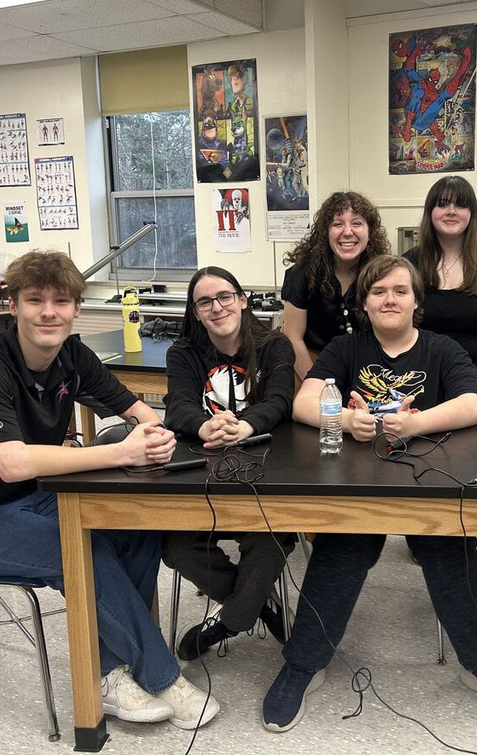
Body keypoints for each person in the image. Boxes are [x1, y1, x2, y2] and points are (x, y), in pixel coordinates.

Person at [0, 251, 220, 730]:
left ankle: (108, 673)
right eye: (35, 300)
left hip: (27, 502)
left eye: (61, 300)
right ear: (12, 306)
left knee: (135, 529)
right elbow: (13, 463)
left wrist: (153, 434)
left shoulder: (72, 356)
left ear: (77, 308)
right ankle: (162, 678)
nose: (48, 312)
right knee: (83, 550)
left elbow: (136, 409)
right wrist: (122, 453)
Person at [262, 254, 477, 733]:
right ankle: (303, 664)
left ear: (416, 301)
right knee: (339, 553)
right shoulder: (347, 350)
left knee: (451, 552)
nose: (389, 299)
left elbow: (474, 403)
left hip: (426, 489)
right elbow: (305, 400)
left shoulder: (441, 348)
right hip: (358, 491)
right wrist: (346, 419)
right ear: (364, 304)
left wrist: (415, 424)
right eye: (378, 292)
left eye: (400, 291)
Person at [161, 266, 297, 659]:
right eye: (205, 302)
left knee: (270, 538)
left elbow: (280, 400)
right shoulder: (183, 353)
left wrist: (246, 425)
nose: (216, 307)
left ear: (241, 300)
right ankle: (259, 605)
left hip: (268, 470)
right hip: (204, 473)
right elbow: (179, 405)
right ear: (196, 311)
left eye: (224, 296)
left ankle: (230, 620)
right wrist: (205, 427)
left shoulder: (275, 345)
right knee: (176, 547)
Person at [404, 176, 477, 420]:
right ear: (430, 212)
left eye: (461, 205)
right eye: (442, 204)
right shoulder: (409, 263)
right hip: (422, 377)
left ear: (471, 213)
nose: (451, 211)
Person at [281, 191, 390, 381]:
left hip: (369, 367)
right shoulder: (301, 274)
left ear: (370, 232)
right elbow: (292, 337)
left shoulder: (383, 274)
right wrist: (318, 386)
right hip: (309, 364)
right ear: (325, 233)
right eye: (338, 224)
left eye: (357, 223)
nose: (347, 232)